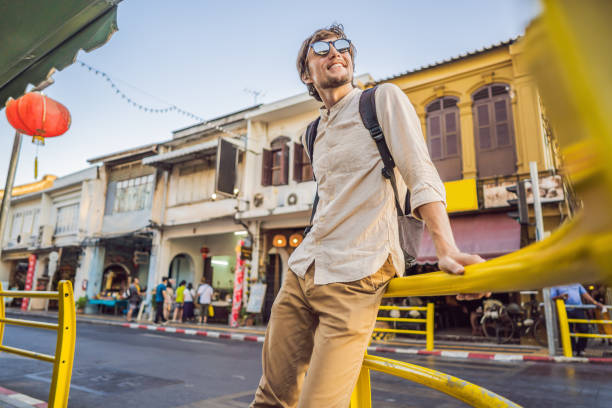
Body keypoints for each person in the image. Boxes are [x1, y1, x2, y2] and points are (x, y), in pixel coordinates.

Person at [250, 24, 484, 408]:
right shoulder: (313, 133)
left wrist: (446, 246)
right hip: (302, 271)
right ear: (307, 74)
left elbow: (419, 170)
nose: (335, 52)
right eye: (322, 48)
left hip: (357, 272)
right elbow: (328, 201)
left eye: (342, 46)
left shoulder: (381, 100)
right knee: (270, 398)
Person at [551, 283, 606, 356]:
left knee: (584, 328)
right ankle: (573, 349)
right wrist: (560, 296)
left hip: (578, 308)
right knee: (568, 330)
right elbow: (552, 297)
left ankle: (581, 348)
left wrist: (595, 302)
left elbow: (584, 294)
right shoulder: (556, 283)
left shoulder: (576, 282)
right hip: (565, 310)